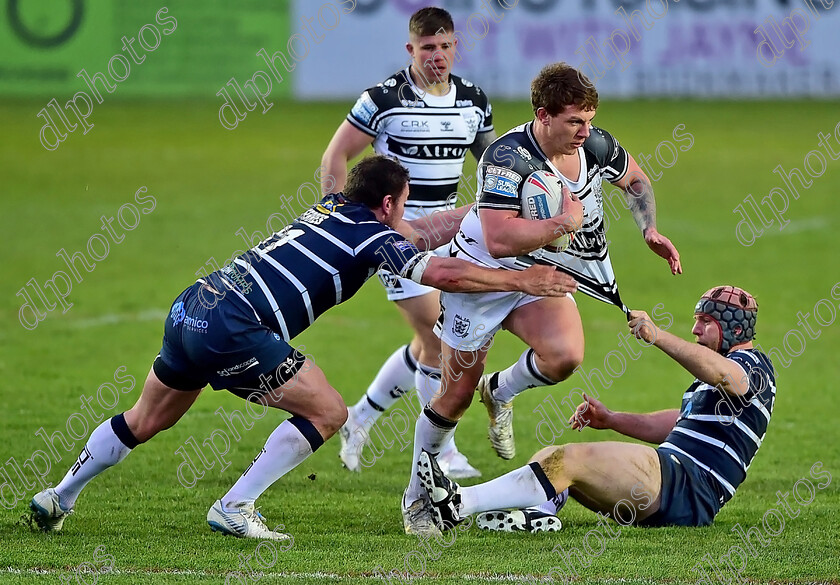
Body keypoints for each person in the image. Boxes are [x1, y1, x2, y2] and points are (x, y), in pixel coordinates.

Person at [28, 156, 576, 541]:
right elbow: (444, 273)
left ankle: (60, 495)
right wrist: (527, 281)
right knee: (328, 411)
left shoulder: (335, 207)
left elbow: (415, 231)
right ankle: (235, 506)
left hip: (193, 304)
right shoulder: (372, 238)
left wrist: (476, 218)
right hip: (237, 327)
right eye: (400, 204)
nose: (403, 214)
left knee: (145, 418)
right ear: (386, 203)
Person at [400, 61, 682, 535]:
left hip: (538, 274)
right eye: (574, 121)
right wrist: (561, 225)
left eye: (589, 120)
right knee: (455, 396)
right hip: (483, 277)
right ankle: (418, 498)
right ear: (542, 115)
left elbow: (634, 179)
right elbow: (498, 239)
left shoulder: (593, 144)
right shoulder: (507, 158)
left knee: (565, 355)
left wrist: (648, 227)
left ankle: (501, 391)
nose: (585, 131)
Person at [418, 286, 776, 532]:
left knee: (568, 461)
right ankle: (537, 516)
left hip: (688, 487)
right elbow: (677, 425)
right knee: (550, 457)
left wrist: (659, 336)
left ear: (730, 329)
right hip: (670, 476)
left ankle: (455, 504)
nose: (695, 329)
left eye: (705, 323)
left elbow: (725, 376)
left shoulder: (753, 366)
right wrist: (611, 420)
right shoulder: (716, 379)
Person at [321, 6, 497, 478]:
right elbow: (338, 152)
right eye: (427, 48)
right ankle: (439, 454)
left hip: (453, 236)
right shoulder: (383, 99)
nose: (437, 57)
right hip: (395, 239)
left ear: (455, 45)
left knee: (428, 343)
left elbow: (492, 162)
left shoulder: (474, 101)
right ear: (410, 49)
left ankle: (359, 419)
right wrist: (340, 216)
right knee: (441, 340)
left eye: (444, 47)